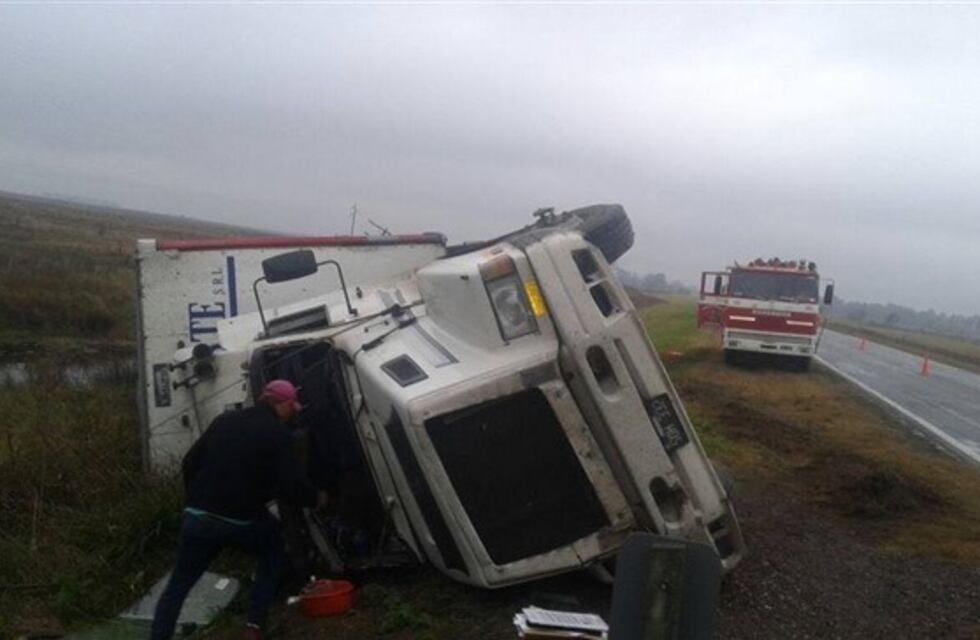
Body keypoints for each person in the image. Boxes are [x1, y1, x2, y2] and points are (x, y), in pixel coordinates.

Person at [150, 379, 320, 640]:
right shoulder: (277, 434)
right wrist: (316, 499)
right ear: (281, 404)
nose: (293, 411)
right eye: (291, 406)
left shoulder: (224, 420)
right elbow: (291, 486)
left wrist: (194, 501)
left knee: (179, 584)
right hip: (241, 520)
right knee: (273, 552)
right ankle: (253, 626)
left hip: (197, 516)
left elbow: (189, 462)